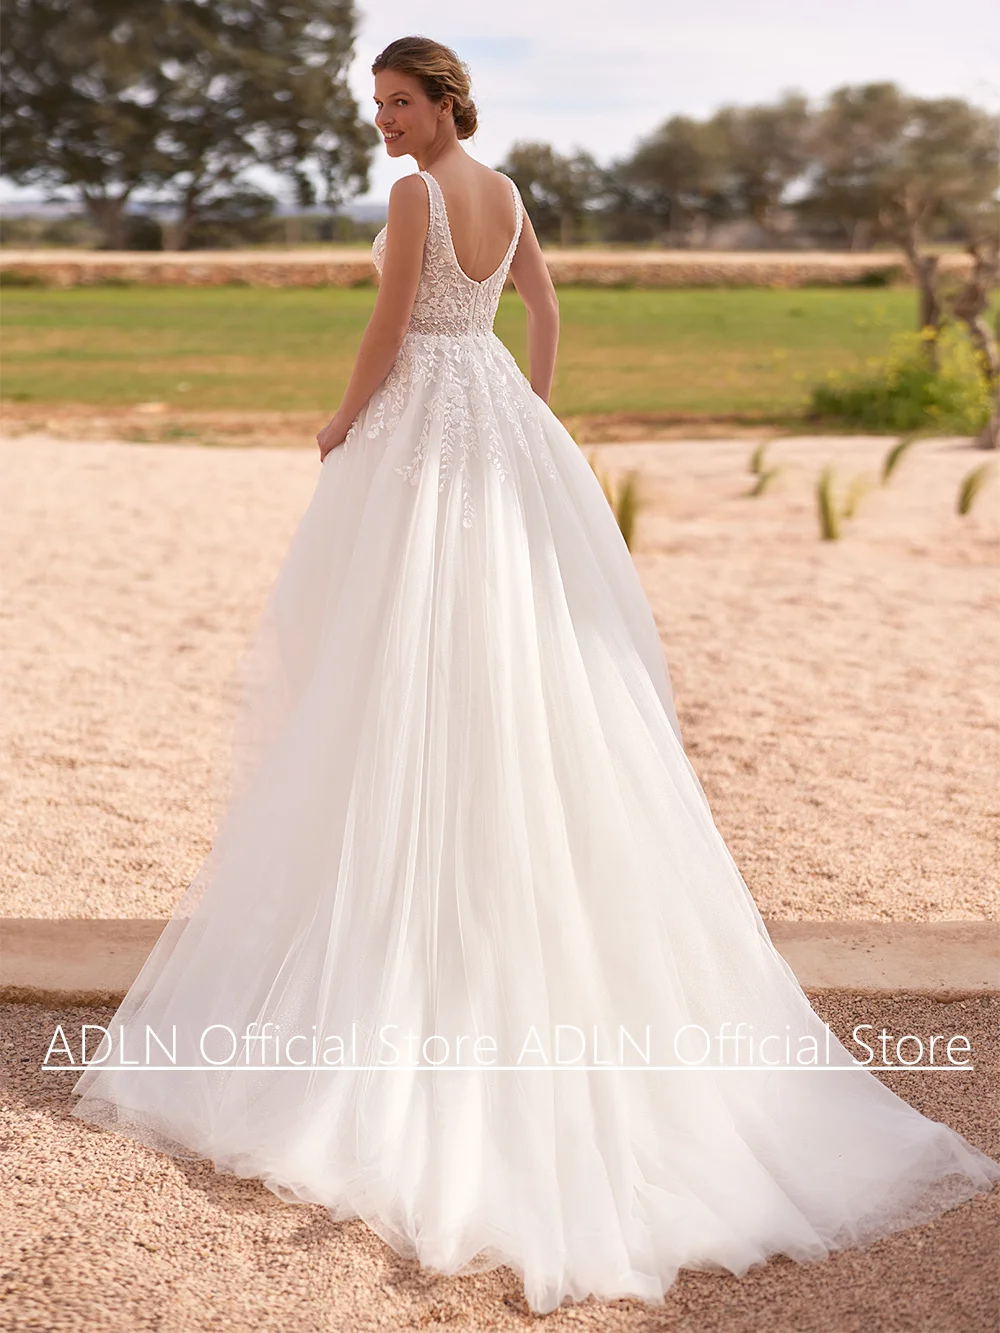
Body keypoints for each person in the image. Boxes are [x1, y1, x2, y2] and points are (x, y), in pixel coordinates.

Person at [71, 35, 999, 1317]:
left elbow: (389, 334)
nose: (384, 124)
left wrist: (343, 422)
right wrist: (533, 424)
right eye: (377, 106)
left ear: (444, 101)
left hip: (426, 438)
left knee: (399, 666)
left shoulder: (414, 197)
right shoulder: (507, 194)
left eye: (399, 103)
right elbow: (545, 312)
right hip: (498, 423)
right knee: (504, 662)